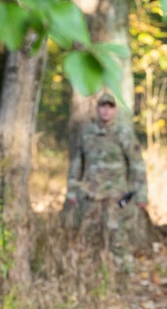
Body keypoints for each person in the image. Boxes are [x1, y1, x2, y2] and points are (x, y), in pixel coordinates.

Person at [63, 91, 148, 274]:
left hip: (116, 198)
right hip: (91, 197)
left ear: (115, 110)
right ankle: (95, 280)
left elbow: (137, 164)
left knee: (118, 240)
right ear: (97, 109)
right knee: (92, 240)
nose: (106, 111)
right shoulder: (87, 133)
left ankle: (123, 279)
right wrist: (72, 191)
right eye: (103, 106)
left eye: (110, 107)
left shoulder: (123, 133)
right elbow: (77, 162)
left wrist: (141, 194)